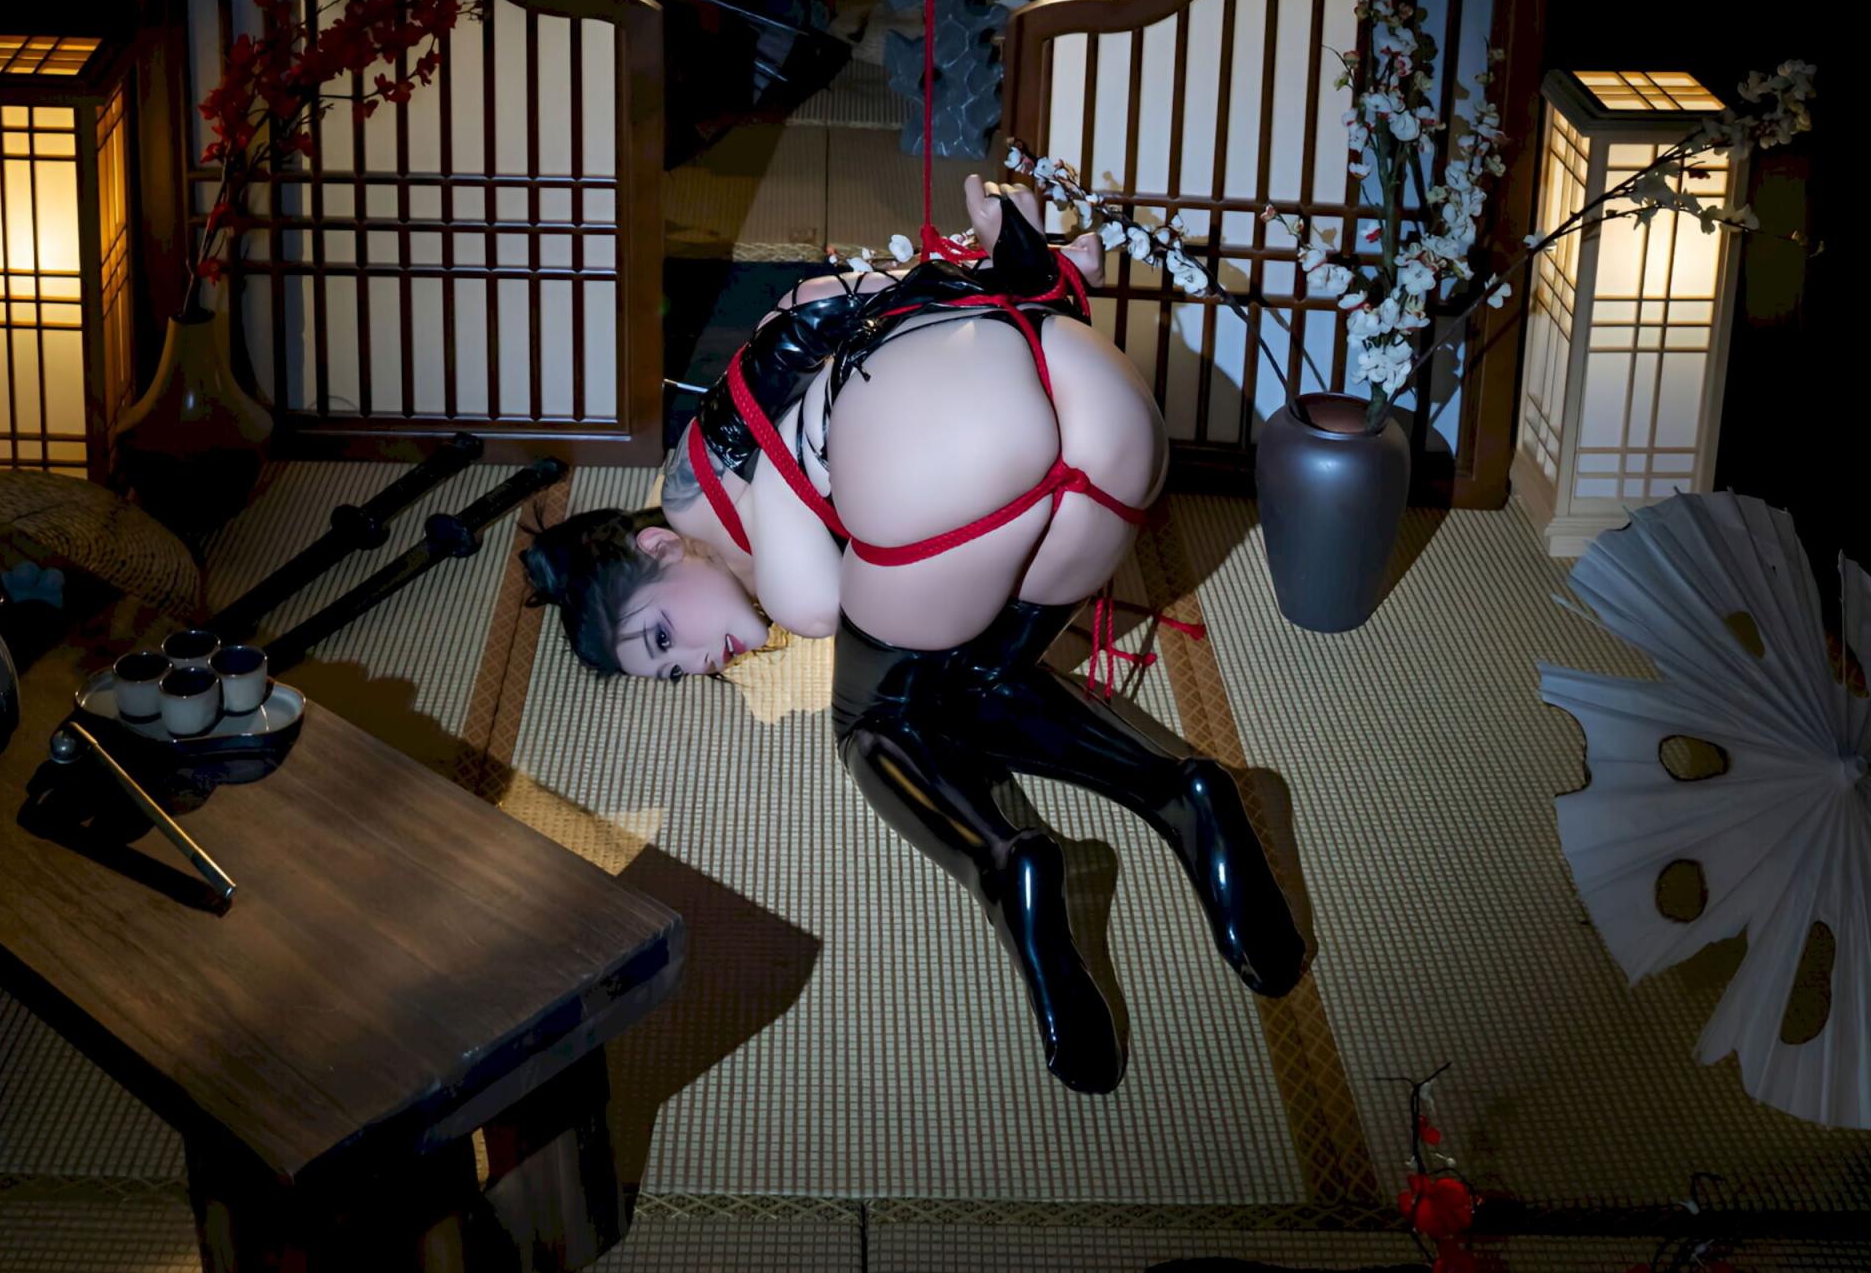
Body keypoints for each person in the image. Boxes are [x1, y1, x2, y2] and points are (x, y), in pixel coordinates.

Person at [521, 179, 1306, 1093]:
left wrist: (800, 561)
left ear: (657, 546)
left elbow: (814, 601)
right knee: (966, 675)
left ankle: (1009, 864)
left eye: (660, 637)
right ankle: (1185, 791)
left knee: (872, 717)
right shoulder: (738, 430)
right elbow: (832, 299)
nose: (694, 664)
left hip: (958, 452)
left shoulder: (696, 495)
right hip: (1103, 407)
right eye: (670, 673)